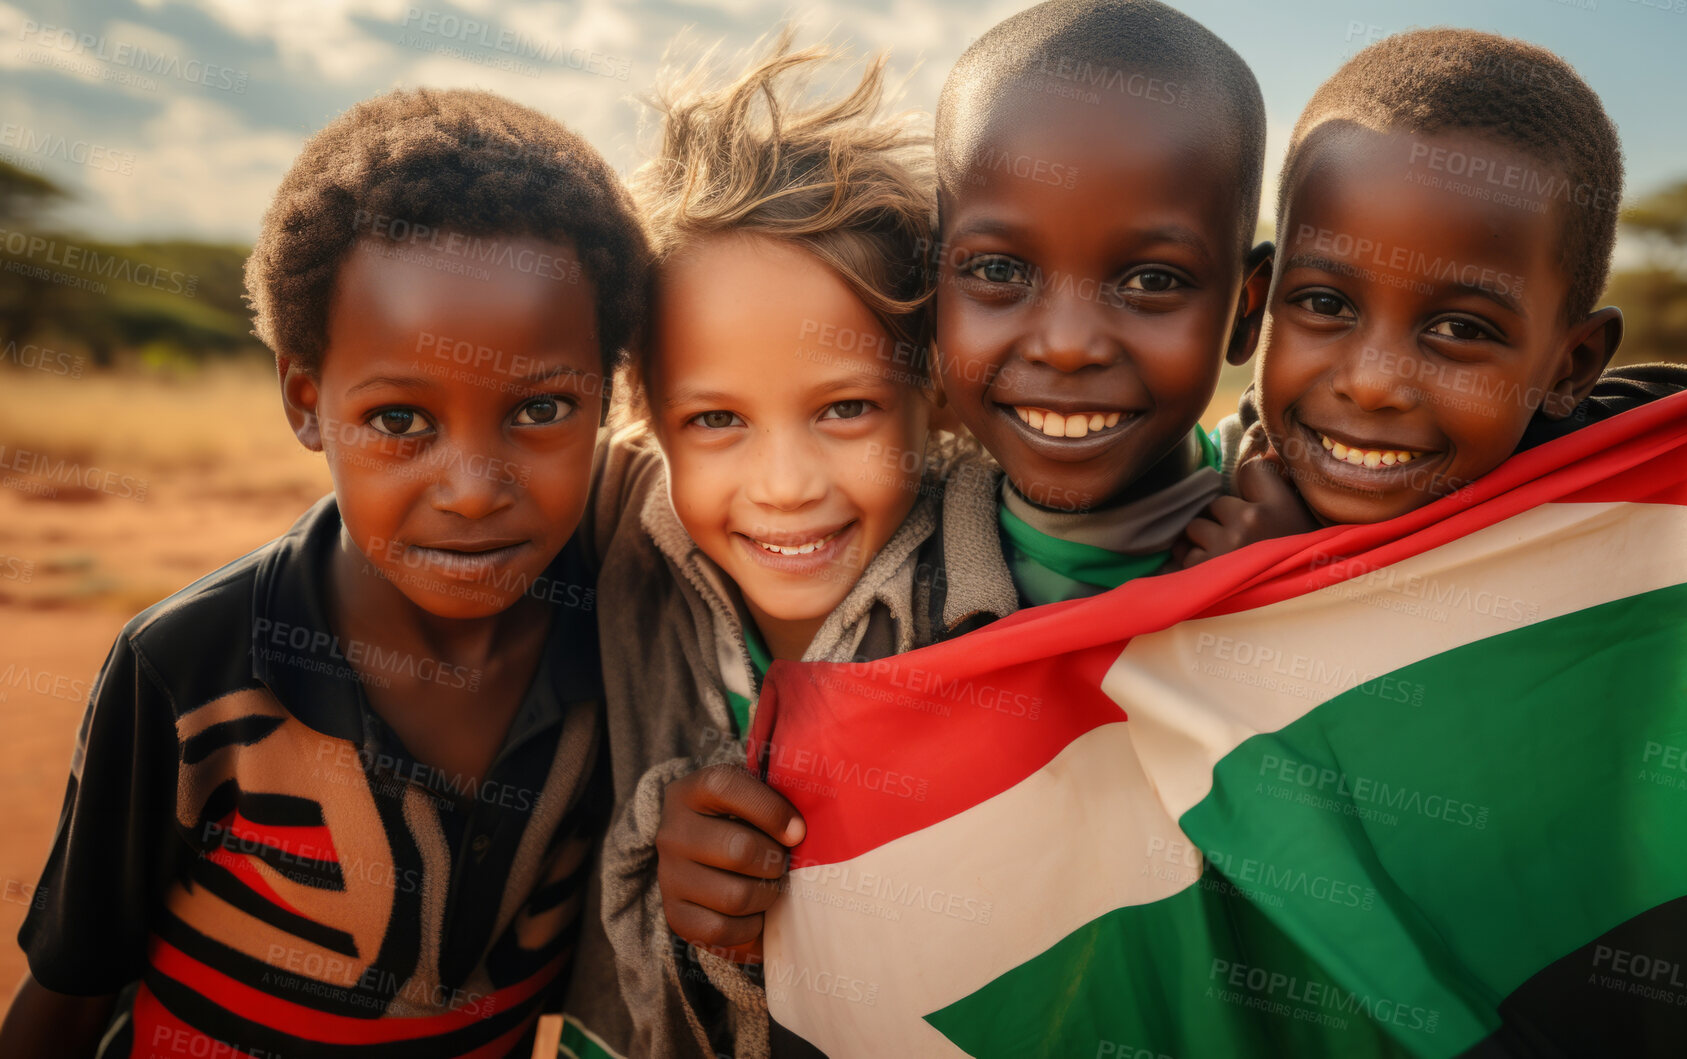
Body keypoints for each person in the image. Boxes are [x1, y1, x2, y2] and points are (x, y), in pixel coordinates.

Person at [0, 88, 649, 1058]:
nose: (472, 491)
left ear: (607, 394)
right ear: (307, 402)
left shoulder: (628, 643)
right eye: (399, 421)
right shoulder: (189, 667)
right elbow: (67, 996)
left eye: (541, 408)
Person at [560, 37, 1015, 1059]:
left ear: (930, 383)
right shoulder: (615, 545)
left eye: (844, 409)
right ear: (642, 414)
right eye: (715, 420)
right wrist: (653, 832)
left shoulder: (1008, 571)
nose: (783, 486)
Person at [1179, 28, 1687, 559]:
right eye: (1326, 304)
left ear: (1570, 367)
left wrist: (1289, 582)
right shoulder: (1178, 501)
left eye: (1460, 329)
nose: (1372, 386)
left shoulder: (1650, 534)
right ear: (1255, 304)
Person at [929, 0, 1279, 607]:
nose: (1066, 346)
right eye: (998, 270)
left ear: (1247, 311)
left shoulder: (1336, 533)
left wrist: (1304, 581)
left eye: (1152, 282)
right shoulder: (869, 586)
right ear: (930, 280)